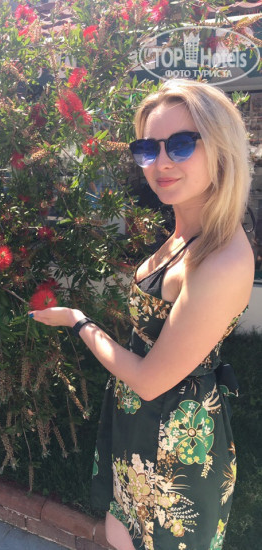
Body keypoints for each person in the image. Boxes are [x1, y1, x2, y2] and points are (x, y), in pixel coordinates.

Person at [28, 78, 255, 550]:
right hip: (141, 423)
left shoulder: (221, 261)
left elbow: (151, 380)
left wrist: (79, 322)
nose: (162, 162)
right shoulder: (188, 229)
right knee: (121, 532)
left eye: (182, 144)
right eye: (149, 149)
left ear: (221, 149)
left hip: (176, 447)